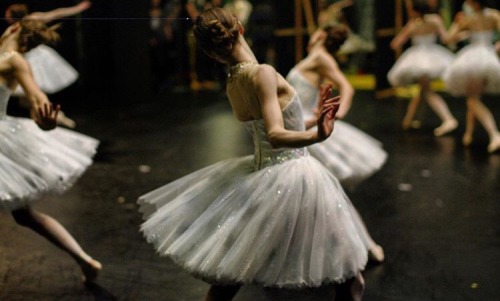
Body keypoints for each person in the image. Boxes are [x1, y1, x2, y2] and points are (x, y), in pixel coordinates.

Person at [138, 7, 375, 301]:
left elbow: (269, 126)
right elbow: (275, 134)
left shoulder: (233, 81)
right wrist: (317, 135)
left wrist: (312, 119)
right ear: (239, 26)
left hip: (263, 175)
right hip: (294, 175)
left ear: (212, 54)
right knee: (349, 281)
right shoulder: (262, 72)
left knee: (232, 274)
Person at [0, 19, 101, 284]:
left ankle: (85, 261)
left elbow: (36, 95)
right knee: (25, 216)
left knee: (26, 216)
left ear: (12, 29)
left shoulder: (15, 60)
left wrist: (44, 117)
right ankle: (86, 261)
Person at [287, 24, 388, 189]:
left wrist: (338, 114)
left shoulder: (321, 57)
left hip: (305, 121)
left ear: (320, 36)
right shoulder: (314, 57)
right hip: (297, 120)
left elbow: (347, 87)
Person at [4, 1, 92, 128]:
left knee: (32, 96)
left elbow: (56, 14)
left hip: (31, 60)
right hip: (19, 60)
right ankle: (45, 118)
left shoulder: (30, 20)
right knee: (26, 101)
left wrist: (76, 8)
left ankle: (53, 116)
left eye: (7, 14)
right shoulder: (12, 29)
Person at [387, 0, 458, 137]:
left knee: (426, 90)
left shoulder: (413, 24)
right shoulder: (435, 20)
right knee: (423, 89)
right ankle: (408, 120)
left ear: (415, 11)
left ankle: (448, 119)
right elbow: (445, 38)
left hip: (417, 59)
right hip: (434, 56)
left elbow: (395, 43)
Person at [443, 0, 500, 153]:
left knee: (472, 99)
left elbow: (448, 39)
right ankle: (469, 134)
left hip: (473, 59)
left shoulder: (469, 18)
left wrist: (456, 23)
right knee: (474, 97)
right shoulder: (493, 15)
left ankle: (494, 134)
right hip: (487, 57)